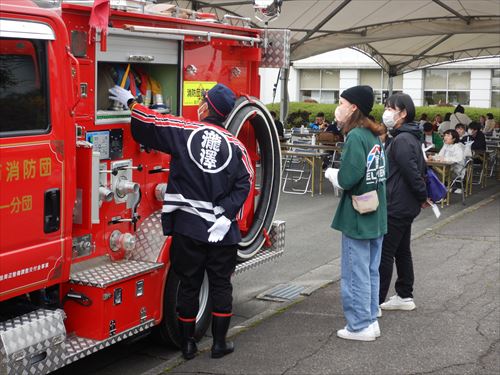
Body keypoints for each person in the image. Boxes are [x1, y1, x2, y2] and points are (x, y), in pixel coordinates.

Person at [109, 83, 254, 360]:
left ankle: (188, 346)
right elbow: (245, 182)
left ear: (206, 108)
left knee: (189, 283)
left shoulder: (185, 130)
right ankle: (220, 344)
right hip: (221, 231)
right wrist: (225, 213)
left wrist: (131, 103)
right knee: (221, 284)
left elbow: (152, 121)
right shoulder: (236, 146)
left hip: (188, 227)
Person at [324, 85, 387, 341]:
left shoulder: (355, 137)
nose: (338, 106)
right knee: (371, 271)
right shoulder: (374, 136)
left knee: (354, 272)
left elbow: (349, 178)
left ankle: (359, 325)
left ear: (353, 107)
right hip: (376, 211)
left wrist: (333, 175)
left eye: (341, 102)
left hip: (358, 215)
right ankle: (370, 319)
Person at [379, 93, 428, 313]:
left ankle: (376, 301)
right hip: (404, 204)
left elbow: (412, 173)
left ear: (403, 112)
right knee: (401, 251)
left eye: (391, 108)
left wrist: (422, 196)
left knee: (385, 253)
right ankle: (404, 294)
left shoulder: (402, 139)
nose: (387, 111)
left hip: (397, 205)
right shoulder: (409, 136)